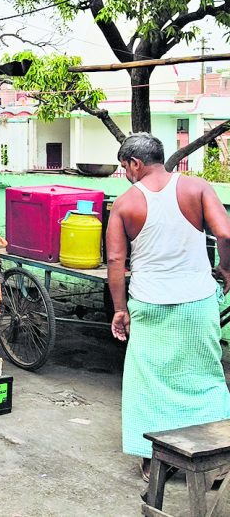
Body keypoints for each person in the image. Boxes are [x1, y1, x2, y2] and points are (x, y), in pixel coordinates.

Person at [106, 133, 230, 483]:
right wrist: (226, 268)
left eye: (125, 167)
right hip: (197, 302)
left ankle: (153, 461)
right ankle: (216, 461)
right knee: (204, 376)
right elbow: (226, 234)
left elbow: (115, 261)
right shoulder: (197, 188)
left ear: (135, 163)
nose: (126, 175)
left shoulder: (125, 203)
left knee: (149, 382)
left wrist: (120, 309)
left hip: (149, 304)